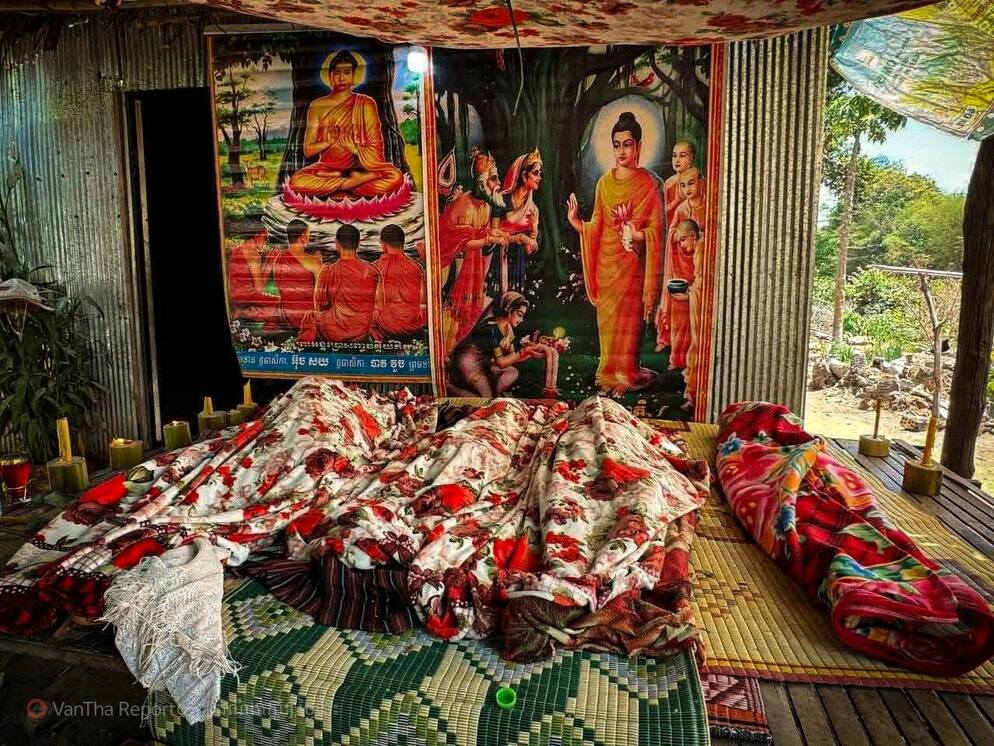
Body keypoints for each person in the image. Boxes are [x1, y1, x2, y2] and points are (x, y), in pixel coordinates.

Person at [566, 111, 664, 396]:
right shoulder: (604, 183)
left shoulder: (651, 184)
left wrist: (636, 235)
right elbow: (597, 224)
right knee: (608, 323)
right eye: (617, 145)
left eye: (628, 144)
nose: (622, 151)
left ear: (639, 146)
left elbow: (658, 229)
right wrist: (577, 223)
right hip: (606, 264)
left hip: (633, 266)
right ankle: (608, 372)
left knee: (629, 322)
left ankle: (627, 371)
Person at [287, 50, 404, 200]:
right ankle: (352, 184)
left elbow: (376, 147)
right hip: (328, 168)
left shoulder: (366, 103)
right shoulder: (317, 106)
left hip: (361, 168)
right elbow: (308, 150)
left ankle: (340, 185)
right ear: (330, 75)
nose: (341, 78)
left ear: (354, 75)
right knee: (296, 181)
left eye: (347, 72)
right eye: (336, 73)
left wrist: (353, 148)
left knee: (395, 178)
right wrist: (329, 141)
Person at [438, 148, 509, 352]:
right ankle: (445, 350)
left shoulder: (485, 206)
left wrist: (494, 230)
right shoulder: (465, 205)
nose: (498, 184)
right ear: (481, 183)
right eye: (493, 179)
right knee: (453, 311)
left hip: (472, 267)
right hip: (453, 265)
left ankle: (455, 350)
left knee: (470, 309)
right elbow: (464, 243)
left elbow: (485, 232)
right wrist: (489, 239)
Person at [447, 291, 546, 398]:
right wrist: (523, 352)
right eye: (519, 314)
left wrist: (531, 353)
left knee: (512, 372)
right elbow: (501, 363)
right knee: (486, 399)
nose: (521, 320)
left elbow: (511, 357)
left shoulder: (508, 330)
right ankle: (450, 388)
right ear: (509, 309)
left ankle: (493, 396)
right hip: (469, 361)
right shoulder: (492, 328)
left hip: (484, 362)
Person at [656, 166, 707, 352]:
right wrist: (681, 237)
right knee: (679, 308)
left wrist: (700, 238)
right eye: (683, 185)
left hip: (702, 263)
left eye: (691, 183)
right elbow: (672, 232)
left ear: (701, 183)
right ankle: (673, 345)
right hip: (681, 264)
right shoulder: (681, 209)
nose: (687, 189)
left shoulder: (709, 206)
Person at [485, 148, 542, 298]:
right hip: (499, 260)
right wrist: (520, 238)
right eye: (535, 173)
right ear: (524, 175)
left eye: (540, 174)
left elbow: (530, 249)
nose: (539, 177)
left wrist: (534, 230)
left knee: (514, 303)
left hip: (518, 265)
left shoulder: (533, 209)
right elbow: (492, 231)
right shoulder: (502, 200)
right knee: (495, 302)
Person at [309, 224, 378, 342]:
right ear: (358, 243)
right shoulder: (372, 271)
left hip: (335, 333)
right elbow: (379, 305)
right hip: (362, 333)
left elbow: (319, 306)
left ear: (336, 244)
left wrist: (320, 273)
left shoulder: (329, 271)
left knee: (310, 317)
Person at [371, 224, 427, 341]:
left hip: (387, 330)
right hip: (413, 329)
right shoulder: (416, 268)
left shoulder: (375, 267)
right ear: (402, 243)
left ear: (383, 244)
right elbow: (424, 300)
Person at [265, 219, 320, 336]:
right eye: (308, 235)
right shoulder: (313, 261)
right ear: (302, 236)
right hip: (306, 317)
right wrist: (321, 264)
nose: (308, 238)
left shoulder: (277, 259)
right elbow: (321, 295)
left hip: (286, 315)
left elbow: (281, 290)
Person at [679, 220, 704, 411]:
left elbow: (703, 282)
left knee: (697, 345)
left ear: (693, 236)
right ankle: (691, 394)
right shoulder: (700, 248)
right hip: (697, 299)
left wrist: (688, 294)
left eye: (683, 240)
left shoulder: (702, 249)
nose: (681, 245)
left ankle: (693, 395)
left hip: (700, 303)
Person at [228, 229, 276, 322]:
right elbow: (259, 289)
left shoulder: (236, 249)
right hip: (247, 298)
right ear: (257, 235)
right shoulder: (253, 254)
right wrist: (270, 263)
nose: (265, 242)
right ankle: (245, 312)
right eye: (265, 238)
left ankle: (243, 311)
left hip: (235, 296)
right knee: (283, 303)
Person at [663, 141, 695, 226]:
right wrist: (676, 201)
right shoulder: (669, 183)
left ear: (690, 158)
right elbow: (661, 212)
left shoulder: (697, 180)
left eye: (682, 156)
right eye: (674, 156)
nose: (677, 160)